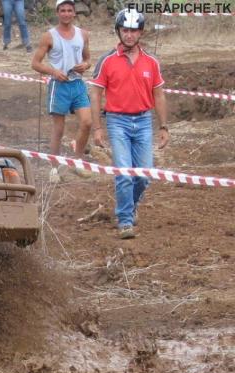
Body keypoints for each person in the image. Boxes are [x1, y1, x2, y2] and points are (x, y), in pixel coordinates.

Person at [89, 8, 169, 240]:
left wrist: (164, 127)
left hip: (143, 121)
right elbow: (95, 94)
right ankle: (125, 220)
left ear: (141, 33)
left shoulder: (151, 62)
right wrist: (97, 128)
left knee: (144, 175)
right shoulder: (106, 61)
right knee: (124, 174)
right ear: (118, 31)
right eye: (125, 30)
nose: (129, 35)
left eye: (134, 30)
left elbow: (159, 95)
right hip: (117, 122)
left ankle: (130, 206)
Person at [31, 0, 91, 183]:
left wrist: (85, 65)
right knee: (58, 129)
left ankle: (77, 161)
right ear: (57, 13)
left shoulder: (82, 34)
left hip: (77, 84)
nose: (66, 14)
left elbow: (88, 59)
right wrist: (53, 72)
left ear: (74, 13)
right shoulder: (49, 36)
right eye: (62, 10)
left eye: (69, 10)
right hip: (59, 86)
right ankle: (54, 168)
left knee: (87, 123)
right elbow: (35, 63)